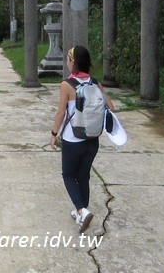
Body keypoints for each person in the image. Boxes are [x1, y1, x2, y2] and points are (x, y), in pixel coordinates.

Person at [49, 45, 116, 234]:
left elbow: (61, 113)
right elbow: (111, 106)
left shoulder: (67, 85)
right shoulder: (95, 82)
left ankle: (81, 210)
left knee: (68, 175)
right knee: (83, 175)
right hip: (92, 139)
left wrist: (53, 134)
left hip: (73, 140)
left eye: (69, 59)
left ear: (72, 62)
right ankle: (82, 211)